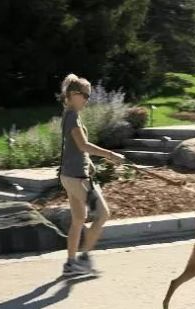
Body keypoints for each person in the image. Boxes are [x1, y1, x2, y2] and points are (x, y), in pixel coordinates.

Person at [58, 73, 125, 277]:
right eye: (84, 95)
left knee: (79, 219)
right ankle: (84, 259)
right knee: (103, 213)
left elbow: (77, 150)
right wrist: (110, 155)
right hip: (76, 177)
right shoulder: (71, 116)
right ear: (72, 94)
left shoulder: (71, 115)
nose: (87, 99)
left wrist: (90, 165)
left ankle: (71, 264)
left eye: (89, 95)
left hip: (72, 175)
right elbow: (83, 145)